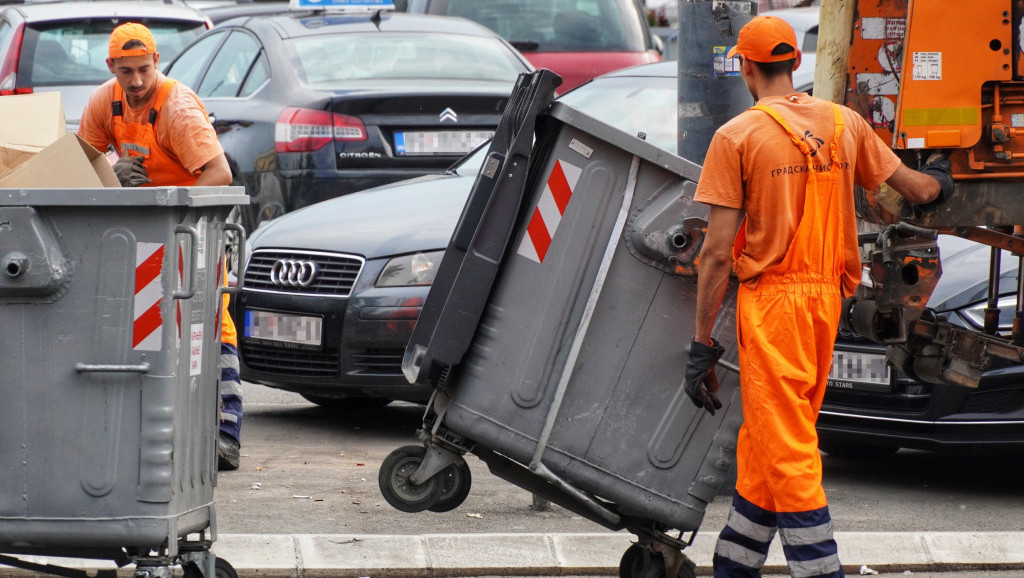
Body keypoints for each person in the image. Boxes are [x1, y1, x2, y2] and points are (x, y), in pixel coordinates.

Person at [684, 15, 953, 578]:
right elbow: (917, 190)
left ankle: (820, 570)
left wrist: (701, 342)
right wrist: (941, 181)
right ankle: (735, 565)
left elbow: (713, 254)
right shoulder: (843, 123)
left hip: (775, 304)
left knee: (787, 447)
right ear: (792, 63)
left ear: (747, 66)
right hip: (826, 302)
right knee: (767, 438)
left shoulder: (735, 137)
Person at [78, 22, 244, 471]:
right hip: (148, 230)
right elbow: (82, 166)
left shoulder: (177, 108)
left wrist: (174, 215)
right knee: (149, 327)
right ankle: (155, 431)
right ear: (111, 66)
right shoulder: (103, 102)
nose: (136, 82)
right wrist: (113, 176)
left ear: (157, 65)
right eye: (127, 71)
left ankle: (226, 433)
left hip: (194, 225)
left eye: (144, 71)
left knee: (209, 321)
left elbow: (219, 175)